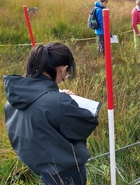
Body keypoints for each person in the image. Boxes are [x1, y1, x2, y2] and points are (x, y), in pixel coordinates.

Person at [3, 43, 99, 185]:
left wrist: (55, 96)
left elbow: (39, 112)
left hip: (42, 167)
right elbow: (84, 124)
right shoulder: (58, 103)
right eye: (66, 73)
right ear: (63, 69)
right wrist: (65, 102)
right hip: (65, 172)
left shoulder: (14, 97)